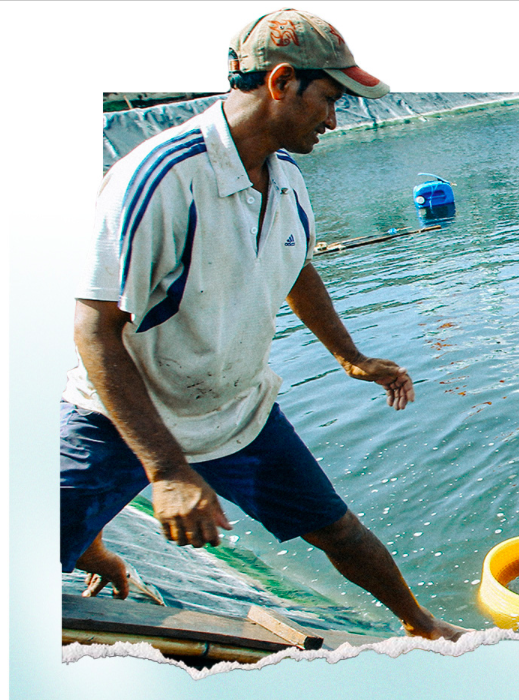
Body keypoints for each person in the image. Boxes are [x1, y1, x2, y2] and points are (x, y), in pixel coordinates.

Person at [60, 8, 466, 641]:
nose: (334, 119)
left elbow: (296, 268)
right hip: (122, 417)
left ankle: (422, 625)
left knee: (338, 529)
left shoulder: (286, 179)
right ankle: (95, 554)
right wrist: (167, 472)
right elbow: (93, 327)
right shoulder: (158, 179)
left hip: (235, 410)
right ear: (281, 83)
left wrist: (350, 357)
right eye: (329, 99)